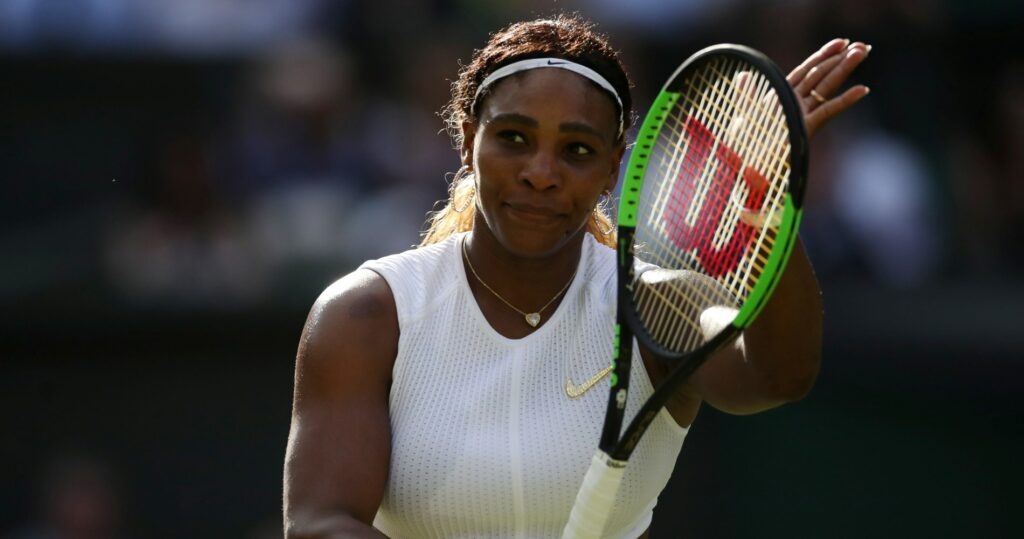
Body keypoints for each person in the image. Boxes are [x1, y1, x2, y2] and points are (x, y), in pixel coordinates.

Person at [283, 14, 870, 538]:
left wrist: (767, 206)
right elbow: (321, 522)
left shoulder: (658, 306)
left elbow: (775, 376)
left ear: (615, 167)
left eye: (577, 150)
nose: (541, 173)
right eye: (513, 139)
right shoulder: (366, 313)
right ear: (468, 142)